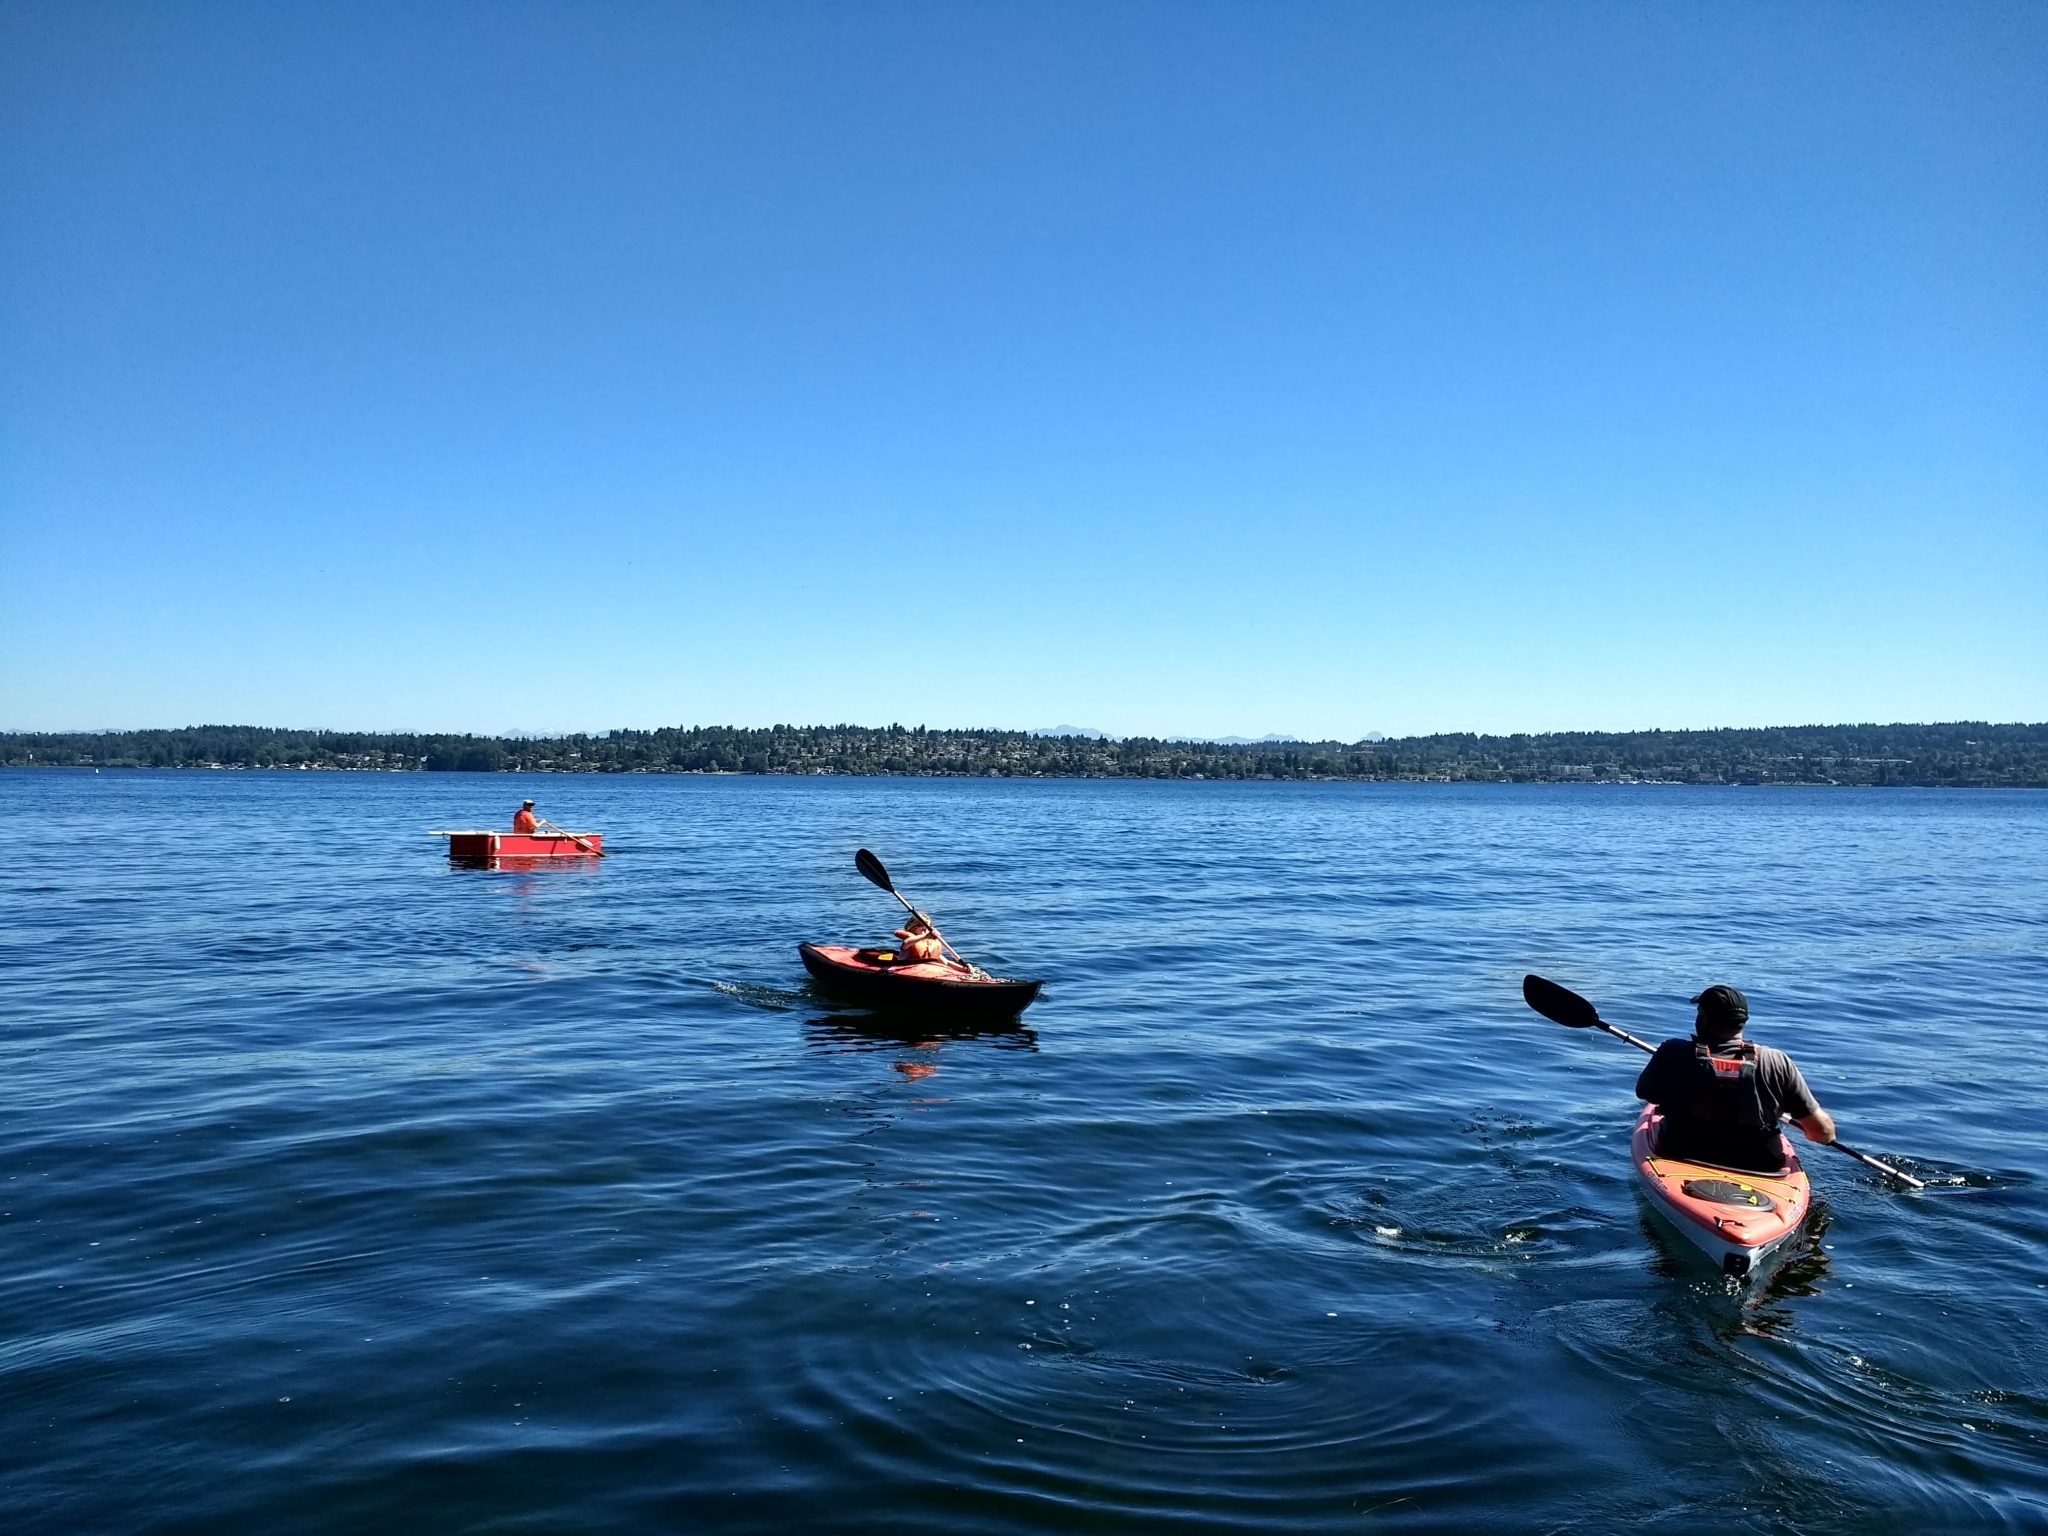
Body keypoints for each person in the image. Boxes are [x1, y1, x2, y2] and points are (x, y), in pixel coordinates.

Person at [1635, 984, 1836, 1173]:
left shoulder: (1672, 1052)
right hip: (1760, 1166)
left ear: (1703, 1019)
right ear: (1743, 1021)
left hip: (1682, 1155)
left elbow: (1646, 1093)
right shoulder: (1776, 1061)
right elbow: (1822, 1133)